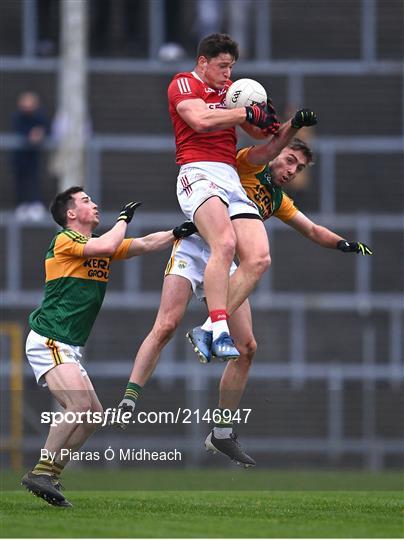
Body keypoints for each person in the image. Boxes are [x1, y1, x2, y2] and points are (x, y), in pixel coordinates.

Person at [116, 109, 372, 466]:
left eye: (298, 168)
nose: (291, 170)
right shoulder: (243, 166)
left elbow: (312, 230)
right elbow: (260, 153)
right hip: (196, 246)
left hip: (226, 258)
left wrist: (343, 243)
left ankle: (221, 431)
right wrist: (289, 127)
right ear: (278, 150)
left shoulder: (276, 200)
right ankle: (129, 397)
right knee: (166, 325)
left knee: (248, 347)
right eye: (290, 160)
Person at [21, 186, 196, 507]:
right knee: (77, 408)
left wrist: (177, 232)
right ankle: (41, 472)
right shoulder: (65, 240)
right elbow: (110, 242)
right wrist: (124, 218)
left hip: (67, 344)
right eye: (86, 201)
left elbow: (142, 245)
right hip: (50, 338)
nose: (95, 204)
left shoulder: (95, 246)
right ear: (71, 214)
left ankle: (51, 474)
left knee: (93, 416)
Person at [168, 32, 280, 362]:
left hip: (229, 177)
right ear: (203, 62)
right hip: (197, 172)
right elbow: (200, 120)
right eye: (222, 66)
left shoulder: (230, 94)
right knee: (226, 243)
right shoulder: (184, 83)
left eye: (231, 67)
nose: (228, 74)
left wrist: (274, 123)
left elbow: (261, 134)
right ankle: (220, 327)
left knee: (259, 258)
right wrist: (246, 113)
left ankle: (206, 328)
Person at [11, 92, 49, 221]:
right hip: (20, 156)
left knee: (34, 179)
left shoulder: (39, 117)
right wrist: (29, 135)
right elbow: (18, 129)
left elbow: (44, 127)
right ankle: (22, 205)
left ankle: (35, 204)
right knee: (21, 180)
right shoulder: (17, 117)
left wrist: (40, 133)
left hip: (33, 156)